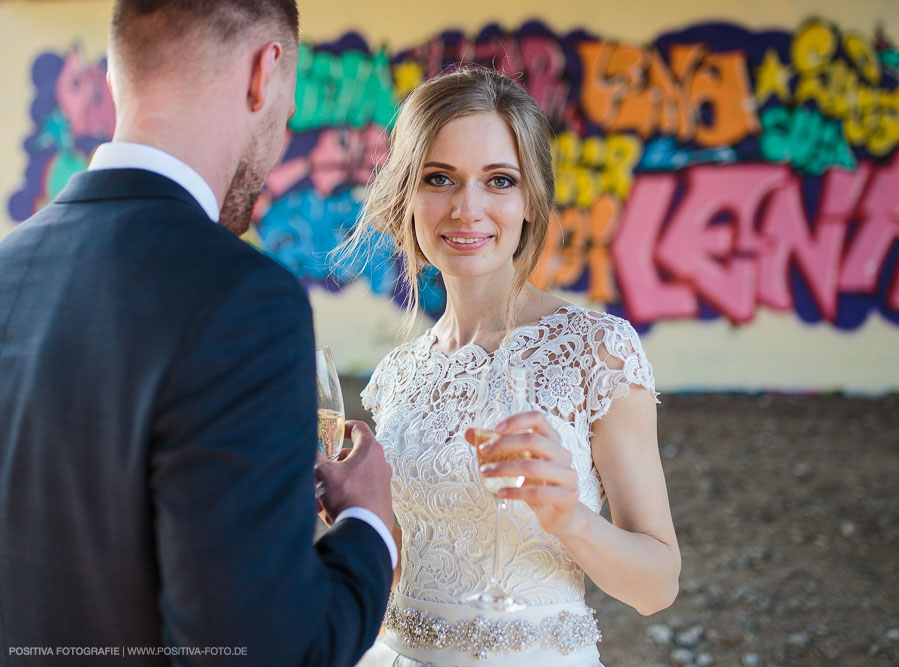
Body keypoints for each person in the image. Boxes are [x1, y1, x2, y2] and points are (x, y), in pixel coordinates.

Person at [0, 2, 396, 665]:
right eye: (290, 107)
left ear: (117, 76)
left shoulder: (8, 270)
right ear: (264, 73)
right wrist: (368, 527)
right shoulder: (244, 301)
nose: (282, 133)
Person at [353, 67, 681, 667]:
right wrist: (352, 518)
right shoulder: (397, 374)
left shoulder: (596, 350)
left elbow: (658, 588)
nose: (466, 208)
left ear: (531, 199)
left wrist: (570, 519)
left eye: (498, 180)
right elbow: (402, 571)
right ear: (407, 194)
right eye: (439, 178)